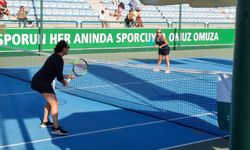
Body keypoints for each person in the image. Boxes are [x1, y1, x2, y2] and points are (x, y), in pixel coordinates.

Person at [31, 40, 75, 136]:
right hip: (41, 82)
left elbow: (56, 72)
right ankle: (56, 129)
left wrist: (67, 77)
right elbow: (59, 77)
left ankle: (45, 122)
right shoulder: (59, 59)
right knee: (55, 102)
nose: (68, 49)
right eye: (67, 47)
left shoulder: (54, 56)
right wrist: (64, 82)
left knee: (50, 102)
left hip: (40, 81)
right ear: (64, 49)